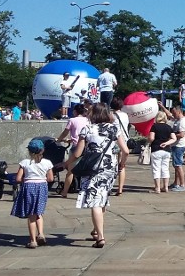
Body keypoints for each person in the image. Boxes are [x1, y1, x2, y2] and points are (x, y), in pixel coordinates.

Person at [68, 103, 129, 248]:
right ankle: (96, 230)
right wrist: (122, 164)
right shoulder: (114, 128)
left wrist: (65, 163)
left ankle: (100, 237)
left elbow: (77, 153)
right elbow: (125, 150)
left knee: (95, 201)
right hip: (110, 168)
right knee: (102, 198)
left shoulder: (87, 129)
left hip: (93, 169)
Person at [11, 138, 54, 248]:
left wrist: (27, 178)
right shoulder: (47, 163)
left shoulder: (24, 163)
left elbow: (18, 178)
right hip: (42, 187)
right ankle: (41, 234)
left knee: (31, 216)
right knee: (38, 212)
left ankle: (33, 240)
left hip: (28, 187)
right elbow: (50, 179)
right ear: (42, 150)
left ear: (29, 151)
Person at [56, 103, 91, 198]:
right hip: (87, 147)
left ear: (75, 111)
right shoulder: (88, 120)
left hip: (76, 146)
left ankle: (65, 192)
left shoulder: (72, 120)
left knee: (70, 171)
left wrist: (59, 140)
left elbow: (65, 132)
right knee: (87, 171)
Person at [148, 111, 175, 192]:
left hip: (156, 149)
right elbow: (174, 138)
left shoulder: (154, 126)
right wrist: (166, 143)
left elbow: (152, 138)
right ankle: (165, 187)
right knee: (165, 168)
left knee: (156, 169)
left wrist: (148, 140)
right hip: (166, 150)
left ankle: (157, 188)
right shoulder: (169, 127)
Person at [110, 97, 130, 196]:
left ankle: (109, 186)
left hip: (114, 142)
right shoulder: (125, 115)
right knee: (122, 165)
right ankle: (120, 188)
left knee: (111, 165)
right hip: (124, 141)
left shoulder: (111, 115)